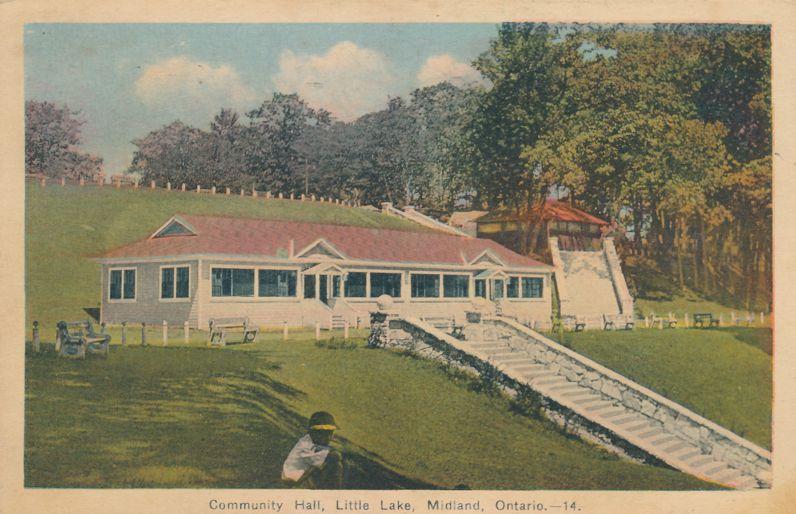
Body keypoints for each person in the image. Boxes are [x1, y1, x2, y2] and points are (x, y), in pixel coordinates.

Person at [282, 411, 343, 489]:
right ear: (313, 432)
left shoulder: (311, 441)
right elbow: (328, 457)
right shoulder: (305, 445)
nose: (328, 438)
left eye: (330, 433)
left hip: (300, 477)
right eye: (323, 433)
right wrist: (333, 454)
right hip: (294, 482)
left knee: (337, 461)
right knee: (335, 463)